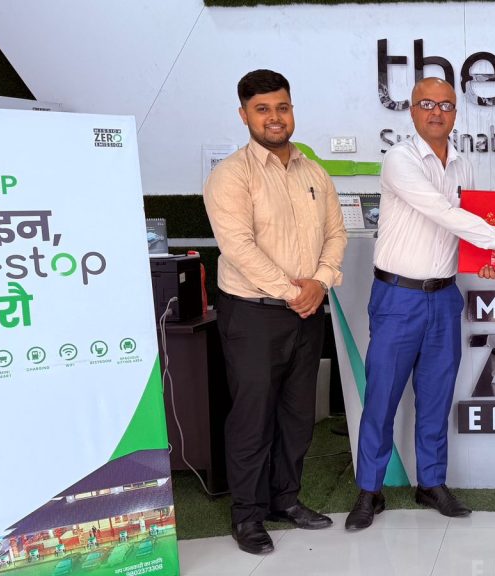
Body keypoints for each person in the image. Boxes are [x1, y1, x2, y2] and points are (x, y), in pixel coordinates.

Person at [345, 77, 495, 531]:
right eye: (427, 103)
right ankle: (369, 490)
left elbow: (466, 227)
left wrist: (489, 261)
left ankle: (431, 482)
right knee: (382, 396)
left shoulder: (462, 164)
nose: (437, 112)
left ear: (456, 112)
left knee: (436, 396)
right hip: (398, 296)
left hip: (443, 297)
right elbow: (442, 212)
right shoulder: (399, 159)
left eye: (446, 105)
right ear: (412, 111)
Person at [204, 69, 347, 555]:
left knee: (297, 415)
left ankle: (285, 499)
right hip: (253, 314)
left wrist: (320, 283)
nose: (274, 117)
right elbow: (238, 247)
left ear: (292, 110)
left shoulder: (314, 172)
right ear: (243, 115)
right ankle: (247, 515)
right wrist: (294, 291)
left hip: (306, 312)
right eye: (262, 109)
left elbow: (336, 234)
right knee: (252, 417)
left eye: (281, 107)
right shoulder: (231, 175)